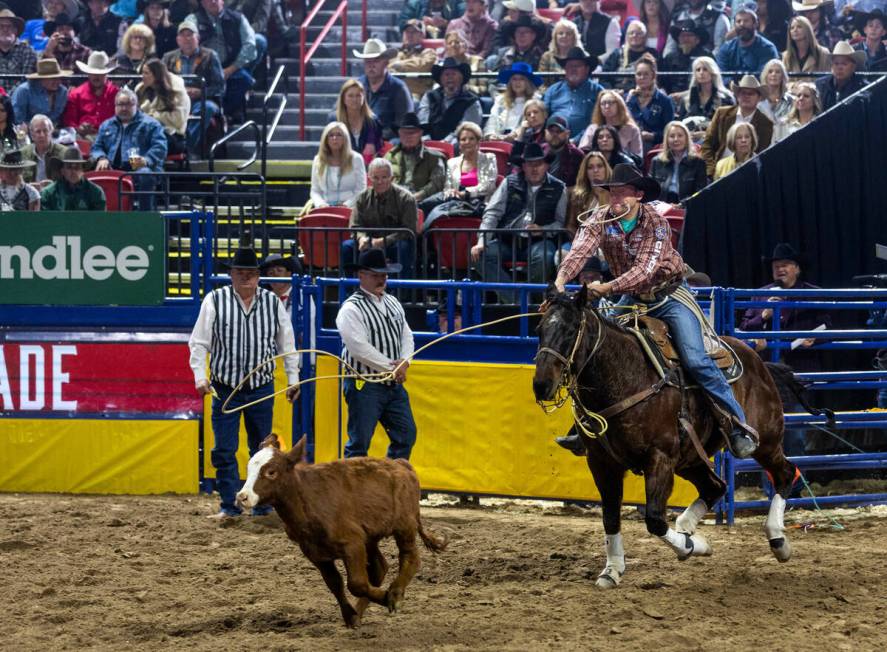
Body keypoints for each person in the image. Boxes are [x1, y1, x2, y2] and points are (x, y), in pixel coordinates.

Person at [554, 163, 760, 458]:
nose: (615, 200)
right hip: (631, 296)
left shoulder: (656, 224)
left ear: (638, 195)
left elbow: (645, 269)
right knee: (594, 345)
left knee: (696, 358)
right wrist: (561, 280)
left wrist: (607, 288)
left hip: (669, 295)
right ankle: (582, 426)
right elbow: (579, 251)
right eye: (612, 193)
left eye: (622, 193)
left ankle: (738, 426)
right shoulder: (600, 220)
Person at [188, 238, 300, 519]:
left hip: (260, 387)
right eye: (241, 272)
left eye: (251, 272)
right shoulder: (215, 300)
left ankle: (260, 505)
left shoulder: (272, 303)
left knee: (260, 452)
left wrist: (293, 378)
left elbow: (287, 343)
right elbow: (199, 342)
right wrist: (200, 376)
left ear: (259, 275)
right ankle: (229, 505)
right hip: (226, 387)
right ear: (232, 274)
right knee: (224, 449)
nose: (247, 276)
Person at [739, 242, 832, 456]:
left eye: (786, 264)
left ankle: (795, 487)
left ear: (797, 268)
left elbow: (829, 326)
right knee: (767, 431)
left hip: (797, 371)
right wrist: (764, 316)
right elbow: (744, 328)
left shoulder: (813, 294)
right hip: (766, 373)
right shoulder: (760, 295)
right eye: (776, 265)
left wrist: (814, 339)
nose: (780, 269)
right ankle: (772, 488)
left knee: (796, 433)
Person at [335, 248, 417, 459]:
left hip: (392, 383)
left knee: (406, 434)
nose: (381, 279)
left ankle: (390, 481)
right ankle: (353, 490)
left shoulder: (392, 302)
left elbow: (406, 334)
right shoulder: (351, 309)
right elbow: (358, 348)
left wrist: (406, 361)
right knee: (359, 442)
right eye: (375, 275)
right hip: (364, 383)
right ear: (361, 275)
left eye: (384, 275)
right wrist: (394, 366)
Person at [474, 142, 567, 302]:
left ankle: (536, 302)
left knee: (544, 257)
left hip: (540, 241)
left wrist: (543, 229)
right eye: (530, 164)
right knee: (480, 256)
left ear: (546, 165)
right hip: (509, 240)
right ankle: (518, 301)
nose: (535, 168)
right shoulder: (509, 182)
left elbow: (560, 223)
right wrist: (482, 240)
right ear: (523, 166)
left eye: (539, 164)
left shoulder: (559, 187)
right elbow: (492, 213)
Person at [91, 87, 168, 210]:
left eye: (128, 104)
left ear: (136, 105)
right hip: (113, 166)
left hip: (139, 166)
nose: (124, 108)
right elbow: (97, 147)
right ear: (115, 106)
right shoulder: (106, 125)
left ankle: (145, 216)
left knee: (145, 174)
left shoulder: (151, 124)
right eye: (120, 104)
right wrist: (101, 157)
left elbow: (160, 147)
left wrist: (147, 160)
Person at [187, 0, 261, 123]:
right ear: (202, 3)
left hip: (229, 67)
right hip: (203, 68)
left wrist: (231, 69)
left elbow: (250, 46)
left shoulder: (238, 18)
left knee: (245, 79)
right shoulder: (193, 19)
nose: (213, 1)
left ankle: (225, 112)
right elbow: (187, 44)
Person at [343, 158, 419, 278]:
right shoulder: (362, 198)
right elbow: (355, 225)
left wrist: (383, 242)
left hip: (394, 242)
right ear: (369, 179)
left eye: (384, 177)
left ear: (392, 178)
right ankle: (350, 290)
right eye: (376, 178)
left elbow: (408, 230)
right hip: (368, 242)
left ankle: (402, 292)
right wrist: (362, 238)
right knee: (347, 247)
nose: (380, 181)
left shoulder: (406, 198)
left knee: (403, 248)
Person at [163, 19, 225, 154]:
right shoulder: (168, 57)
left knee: (206, 108)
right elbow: (161, 83)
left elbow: (220, 87)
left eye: (190, 35)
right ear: (178, 39)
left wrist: (201, 92)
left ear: (198, 37)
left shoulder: (210, 56)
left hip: (203, 100)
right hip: (176, 100)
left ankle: (187, 147)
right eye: (183, 35)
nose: (186, 39)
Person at [424, 120, 496, 227]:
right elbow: (448, 187)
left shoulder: (489, 158)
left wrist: (465, 193)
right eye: (463, 139)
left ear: (478, 141)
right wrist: (451, 192)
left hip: (479, 202)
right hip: (455, 201)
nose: (467, 142)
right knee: (425, 206)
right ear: (459, 143)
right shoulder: (452, 162)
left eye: (472, 138)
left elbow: (488, 186)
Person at [700, 74, 772, 178]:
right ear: (737, 96)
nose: (746, 96)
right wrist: (712, 171)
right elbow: (707, 145)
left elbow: (760, 154)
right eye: (743, 93)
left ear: (759, 98)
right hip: (718, 170)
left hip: (747, 174)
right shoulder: (722, 114)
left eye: (751, 93)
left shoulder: (765, 124)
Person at [355, 38, 413, 142]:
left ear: (386, 62)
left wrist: (375, 138)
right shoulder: (356, 86)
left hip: (387, 140)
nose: (371, 65)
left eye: (376, 60)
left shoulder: (398, 88)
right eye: (368, 61)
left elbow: (403, 123)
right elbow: (335, 113)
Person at [384, 112, 446, 210]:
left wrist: (414, 197)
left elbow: (436, 184)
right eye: (404, 132)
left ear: (421, 133)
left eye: (413, 132)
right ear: (399, 134)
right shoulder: (389, 156)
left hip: (422, 202)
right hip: (393, 200)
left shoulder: (435, 157)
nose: (408, 136)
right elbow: (382, 181)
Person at [542, 46, 604, 141]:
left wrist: (578, 140)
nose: (573, 69)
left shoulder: (597, 91)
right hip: (553, 142)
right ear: (565, 69)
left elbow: (600, 121)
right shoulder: (553, 90)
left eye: (578, 66)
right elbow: (542, 116)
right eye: (570, 66)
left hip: (586, 143)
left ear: (587, 69)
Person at [417, 56, 483, 144]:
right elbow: (423, 121)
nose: (450, 78)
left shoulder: (472, 101)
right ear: (441, 79)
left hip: (457, 144)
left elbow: (467, 129)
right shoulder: (429, 96)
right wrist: (427, 140)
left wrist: (445, 143)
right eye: (446, 74)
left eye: (453, 74)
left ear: (461, 78)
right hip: (428, 142)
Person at [673, 55, 734, 143]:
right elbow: (680, 123)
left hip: (716, 142)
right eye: (698, 70)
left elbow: (729, 127)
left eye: (705, 69)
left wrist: (705, 134)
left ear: (712, 72)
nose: (701, 73)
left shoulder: (725, 98)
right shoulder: (687, 99)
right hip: (689, 142)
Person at [136, 57, 191, 155]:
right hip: (148, 132)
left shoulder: (177, 92)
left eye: (146, 73)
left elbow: (178, 120)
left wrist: (153, 115)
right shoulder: (141, 90)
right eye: (142, 72)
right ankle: (138, 168)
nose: (142, 76)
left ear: (157, 75)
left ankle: (146, 167)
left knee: (148, 144)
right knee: (131, 142)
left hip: (173, 136)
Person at [62, 50, 119, 142]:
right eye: (93, 73)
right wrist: (79, 129)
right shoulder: (76, 94)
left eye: (100, 73)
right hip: (83, 138)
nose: (96, 76)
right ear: (88, 73)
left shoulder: (117, 94)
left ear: (106, 74)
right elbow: (69, 122)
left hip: (111, 137)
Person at [309, 121, 367, 210]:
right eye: (331, 135)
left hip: (350, 208)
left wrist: (346, 205)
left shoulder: (356, 159)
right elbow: (315, 190)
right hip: (324, 208)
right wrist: (321, 204)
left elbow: (361, 190)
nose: (334, 138)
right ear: (326, 139)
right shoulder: (318, 160)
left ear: (345, 138)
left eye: (339, 135)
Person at [625, 53, 675, 154]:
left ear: (653, 75)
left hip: (654, 147)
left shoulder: (664, 100)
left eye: (646, 74)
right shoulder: (630, 98)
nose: (642, 77)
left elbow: (670, 131)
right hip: (629, 144)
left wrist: (652, 136)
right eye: (639, 74)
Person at [328, 78, 383, 165]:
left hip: (369, 167)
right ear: (343, 99)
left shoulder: (373, 121)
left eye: (358, 95)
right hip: (342, 164)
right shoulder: (334, 119)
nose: (355, 99)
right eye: (350, 96)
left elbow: (378, 150)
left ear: (364, 98)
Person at [650, 120, 707, 201]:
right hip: (662, 205)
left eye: (680, 136)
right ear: (667, 139)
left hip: (688, 205)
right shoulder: (656, 161)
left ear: (686, 138)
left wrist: (682, 205)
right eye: (672, 136)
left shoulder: (698, 162)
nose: (676, 139)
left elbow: (700, 192)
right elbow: (651, 190)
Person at [484, 61, 541, 140]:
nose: (517, 83)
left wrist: (515, 134)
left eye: (521, 79)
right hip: (499, 138)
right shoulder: (500, 100)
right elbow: (493, 119)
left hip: (523, 140)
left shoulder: (535, 101)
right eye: (514, 79)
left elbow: (532, 124)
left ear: (528, 82)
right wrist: (491, 134)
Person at [716, 6, 779, 76]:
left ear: (755, 24)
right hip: (730, 86)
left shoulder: (767, 48)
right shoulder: (726, 48)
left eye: (746, 21)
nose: (742, 24)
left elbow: (765, 76)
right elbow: (721, 75)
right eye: (738, 21)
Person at [578, 90, 643, 158]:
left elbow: (638, 158)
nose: (606, 106)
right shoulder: (593, 128)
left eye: (610, 103)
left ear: (619, 105)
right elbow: (583, 152)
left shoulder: (632, 130)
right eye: (603, 103)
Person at [599, 21, 659, 93]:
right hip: (618, 96)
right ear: (626, 36)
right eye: (631, 33)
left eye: (639, 33)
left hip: (645, 93)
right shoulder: (617, 54)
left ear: (645, 36)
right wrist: (612, 92)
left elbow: (662, 79)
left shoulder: (653, 54)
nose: (634, 35)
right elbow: (604, 78)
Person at [40, 146, 107, 210]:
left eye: (77, 167)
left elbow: (99, 220)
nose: (73, 171)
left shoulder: (96, 193)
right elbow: (46, 220)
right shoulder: (48, 194)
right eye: (69, 167)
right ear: (62, 171)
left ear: (83, 170)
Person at [565, 150, 611, 239]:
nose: (595, 170)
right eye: (590, 167)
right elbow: (570, 226)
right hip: (582, 243)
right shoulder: (578, 195)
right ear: (585, 172)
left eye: (600, 166)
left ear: (606, 169)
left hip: (608, 244)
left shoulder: (616, 194)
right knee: (560, 252)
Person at [660, 18, 714, 94]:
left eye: (689, 35)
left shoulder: (706, 57)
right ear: (678, 39)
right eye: (682, 36)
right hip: (673, 98)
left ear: (697, 39)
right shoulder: (670, 58)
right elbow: (663, 81)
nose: (685, 39)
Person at [388, 19, 438, 101]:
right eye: (407, 32)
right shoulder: (396, 53)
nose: (409, 35)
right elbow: (390, 66)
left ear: (422, 35)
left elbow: (422, 65)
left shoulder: (429, 52)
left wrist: (400, 65)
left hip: (417, 95)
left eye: (414, 32)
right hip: (395, 94)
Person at [11, 58, 70, 125]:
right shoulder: (24, 91)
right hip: (27, 131)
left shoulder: (63, 92)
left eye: (59, 78)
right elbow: (18, 118)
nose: (58, 82)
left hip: (52, 130)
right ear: (41, 79)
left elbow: (57, 116)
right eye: (53, 78)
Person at [663, 0, 730, 57]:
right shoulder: (677, 16)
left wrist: (704, 64)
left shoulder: (719, 17)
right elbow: (670, 47)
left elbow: (720, 50)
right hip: (679, 64)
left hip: (707, 66)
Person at [815, 40, 868, 111]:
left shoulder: (863, 88)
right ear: (832, 66)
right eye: (836, 63)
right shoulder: (820, 85)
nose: (839, 67)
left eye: (844, 64)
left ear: (853, 67)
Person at [21, 114, 67, 186]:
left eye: (45, 131)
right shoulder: (23, 153)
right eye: (38, 131)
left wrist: (53, 187)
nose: (42, 135)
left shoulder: (65, 153)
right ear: (32, 135)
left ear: (51, 132)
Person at [543, 114, 585, 187]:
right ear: (545, 132)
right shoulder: (539, 151)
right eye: (551, 131)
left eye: (559, 131)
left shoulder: (577, 155)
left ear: (567, 134)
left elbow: (582, 183)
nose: (554, 134)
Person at [0, 8, 38, 77]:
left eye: (9, 26)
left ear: (16, 30)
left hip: (20, 87)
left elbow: (26, 80)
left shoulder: (27, 50)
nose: (5, 29)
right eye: (1, 26)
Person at [398, 0, 466, 38]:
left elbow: (467, 24)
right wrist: (420, 24)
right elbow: (402, 23)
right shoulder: (414, 3)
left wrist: (447, 24)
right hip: (421, 46)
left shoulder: (458, 2)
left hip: (452, 46)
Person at [757, 58, 794, 124]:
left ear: (783, 76)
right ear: (765, 76)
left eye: (777, 72)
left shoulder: (791, 100)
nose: (773, 74)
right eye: (770, 71)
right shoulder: (758, 99)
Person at [852, 7, 887, 72]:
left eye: (877, 26)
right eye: (870, 25)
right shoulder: (853, 51)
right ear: (865, 29)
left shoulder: (886, 53)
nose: (873, 29)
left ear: (884, 32)